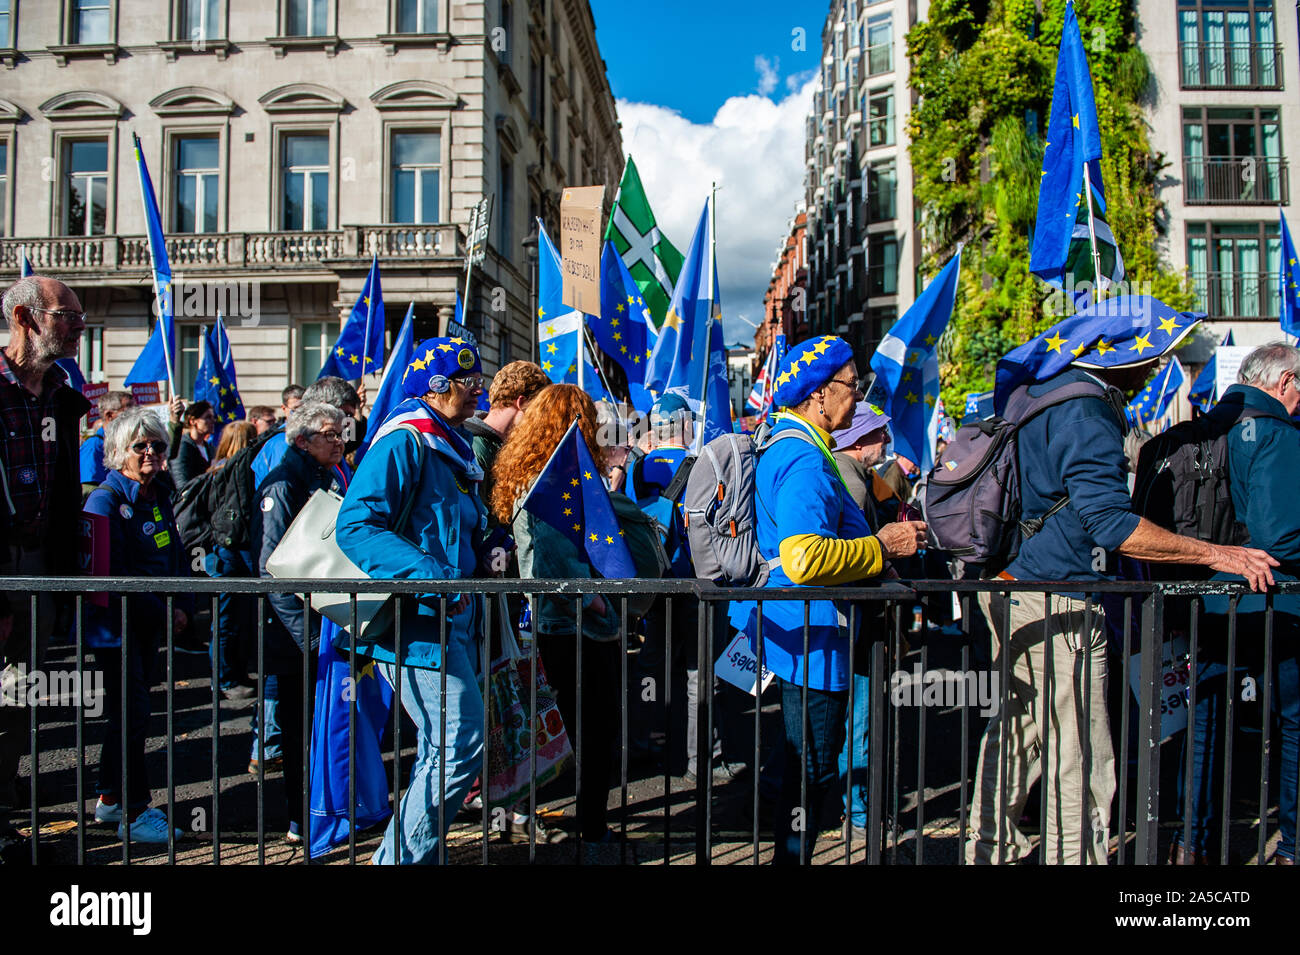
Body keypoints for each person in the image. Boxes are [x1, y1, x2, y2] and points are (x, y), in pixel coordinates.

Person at [966, 310, 1276, 865]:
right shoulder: (1085, 411)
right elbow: (1111, 523)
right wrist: (1219, 554)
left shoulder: (1052, 393)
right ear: (1117, 357)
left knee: (1018, 735)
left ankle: (986, 849)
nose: (1157, 365)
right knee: (1080, 752)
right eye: (1150, 354)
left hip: (1020, 585)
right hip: (1057, 594)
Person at [730, 336, 927, 864]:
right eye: (852, 386)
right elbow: (802, 558)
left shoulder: (793, 446)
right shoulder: (804, 459)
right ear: (819, 394)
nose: (858, 398)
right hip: (811, 637)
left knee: (804, 763)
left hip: (804, 631)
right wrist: (882, 545)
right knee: (813, 769)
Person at [336, 338, 490, 864]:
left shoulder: (450, 441)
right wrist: (436, 579)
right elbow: (356, 526)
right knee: (459, 744)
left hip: (450, 620)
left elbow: (452, 526)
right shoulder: (406, 440)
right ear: (436, 385)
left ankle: (416, 855)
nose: (478, 390)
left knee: (439, 747)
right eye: (467, 381)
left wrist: (491, 543)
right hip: (420, 624)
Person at [1173, 343, 1300, 865]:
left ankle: (1191, 847)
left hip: (1196, 603)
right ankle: (1292, 849)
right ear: (1285, 382)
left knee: (1204, 726)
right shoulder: (1276, 432)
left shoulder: (1187, 432)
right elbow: (1282, 535)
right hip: (1273, 603)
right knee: (1294, 722)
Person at [492, 384, 625, 848]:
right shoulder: (548, 482)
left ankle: (554, 820)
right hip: (572, 626)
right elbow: (552, 563)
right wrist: (600, 602)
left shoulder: (536, 474)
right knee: (590, 730)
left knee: (566, 728)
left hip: (560, 624)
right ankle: (590, 828)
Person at [0, 276, 90, 827]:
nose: (78, 327)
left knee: (15, 698)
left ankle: (4, 813)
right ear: (25, 319)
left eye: (80, 319)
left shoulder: (61, 395)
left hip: (37, 567)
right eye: (66, 316)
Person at [82, 407, 190, 843]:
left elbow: (175, 552)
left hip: (147, 625)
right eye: (140, 446)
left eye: (158, 446)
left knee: (130, 716)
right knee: (131, 716)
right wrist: (167, 611)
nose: (151, 453)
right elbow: (112, 576)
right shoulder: (106, 500)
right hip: (116, 628)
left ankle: (111, 802)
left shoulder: (158, 492)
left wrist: (182, 602)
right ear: (117, 452)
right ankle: (134, 810)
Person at [252, 400, 348, 843]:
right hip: (290, 631)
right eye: (330, 433)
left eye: (340, 431)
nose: (339, 439)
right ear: (302, 439)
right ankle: (299, 819)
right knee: (297, 730)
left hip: (320, 623)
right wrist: (309, 638)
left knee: (322, 725)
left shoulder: (322, 474)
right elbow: (272, 569)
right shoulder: (284, 481)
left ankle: (325, 809)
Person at [830, 401, 897, 838]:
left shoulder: (854, 475)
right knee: (859, 716)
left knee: (846, 716)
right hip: (854, 617)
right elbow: (854, 556)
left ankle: (846, 808)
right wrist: (887, 555)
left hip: (846, 617)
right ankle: (857, 815)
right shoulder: (851, 481)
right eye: (879, 434)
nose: (885, 442)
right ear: (858, 440)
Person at [206, 420, 259, 704]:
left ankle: (234, 674)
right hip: (228, 550)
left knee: (235, 618)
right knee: (225, 619)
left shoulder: (221, 468)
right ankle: (224, 679)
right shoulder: (228, 471)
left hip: (231, 549)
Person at [464, 360, 550, 506]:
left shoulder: (502, 446)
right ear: (522, 403)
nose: (542, 418)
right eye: (540, 408)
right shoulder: (476, 448)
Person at [80, 390, 136, 489]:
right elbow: (89, 491)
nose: (135, 414)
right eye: (129, 410)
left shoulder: (127, 442)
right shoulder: (93, 446)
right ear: (109, 415)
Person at [170, 400, 217, 489]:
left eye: (213, 417)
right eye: (208, 417)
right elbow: (181, 482)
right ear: (193, 421)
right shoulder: (182, 447)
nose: (213, 421)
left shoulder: (210, 448)